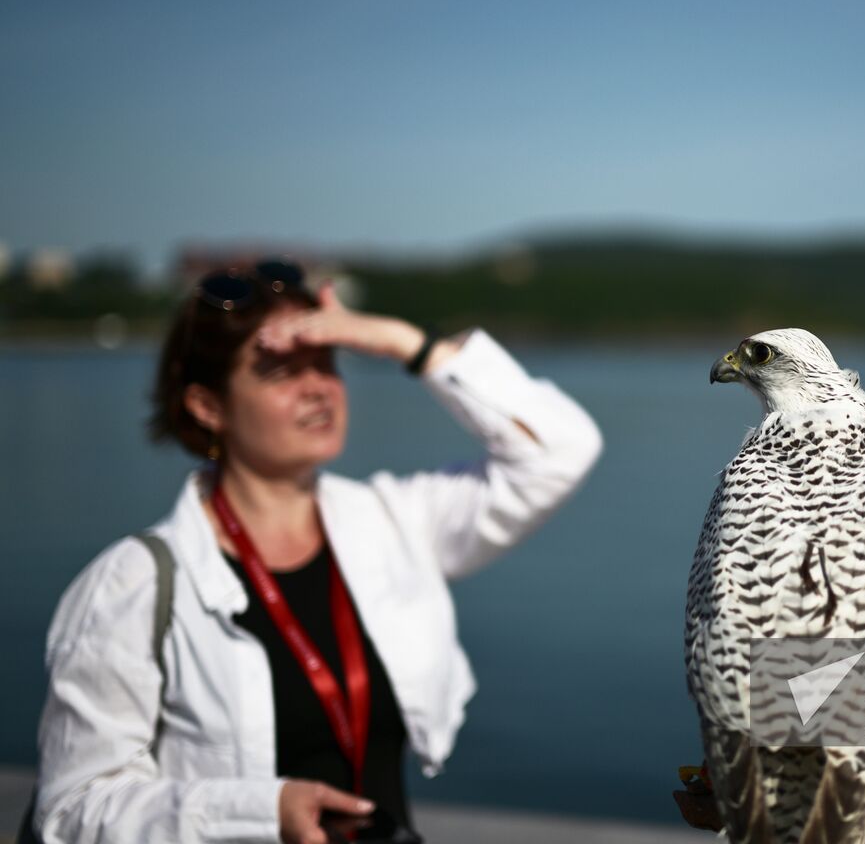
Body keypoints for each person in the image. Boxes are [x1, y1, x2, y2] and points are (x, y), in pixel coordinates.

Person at [31, 260, 603, 843]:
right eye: (282, 372)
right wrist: (260, 812)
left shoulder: (391, 525)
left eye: (327, 363)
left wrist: (404, 343)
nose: (319, 387)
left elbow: (560, 453)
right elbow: (71, 811)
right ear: (208, 406)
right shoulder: (135, 585)